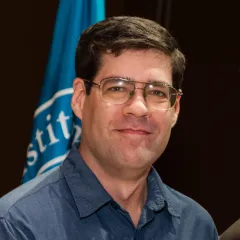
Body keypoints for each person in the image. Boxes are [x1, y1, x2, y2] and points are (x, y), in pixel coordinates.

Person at [0, 16, 218, 239]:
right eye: (117, 88)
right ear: (79, 99)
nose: (139, 108)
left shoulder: (197, 227)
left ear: (175, 109)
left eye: (157, 92)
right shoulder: (18, 226)